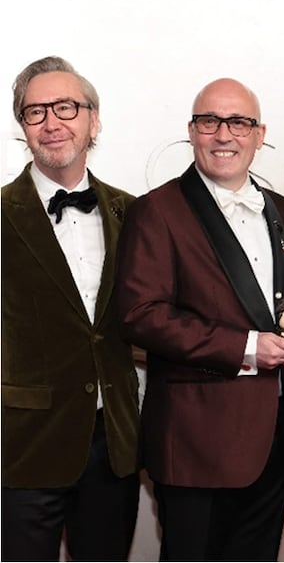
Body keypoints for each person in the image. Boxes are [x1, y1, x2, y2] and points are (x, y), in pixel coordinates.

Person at [115, 78, 284, 561]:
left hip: (275, 435)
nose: (224, 134)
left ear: (259, 133)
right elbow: (140, 315)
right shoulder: (156, 210)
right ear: (192, 131)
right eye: (210, 121)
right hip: (195, 443)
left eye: (239, 122)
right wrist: (248, 347)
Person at [1, 56, 140, 560]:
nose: (52, 122)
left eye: (66, 107)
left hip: (115, 443)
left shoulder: (135, 211)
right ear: (23, 127)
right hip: (23, 446)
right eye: (35, 112)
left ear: (93, 120)